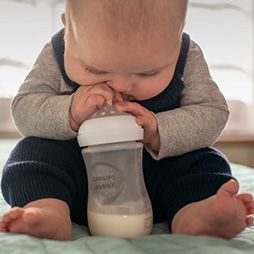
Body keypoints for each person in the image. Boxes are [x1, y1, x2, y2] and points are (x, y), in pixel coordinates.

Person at [0, 0, 254, 241]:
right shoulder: (57, 52)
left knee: (205, 162)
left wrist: (158, 129)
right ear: (68, 30)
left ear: (176, 41)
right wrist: (70, 111)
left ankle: (196, 215)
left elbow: (213, 112)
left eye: (148, 72)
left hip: (161, 177)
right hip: (77, 179)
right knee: (31, 153)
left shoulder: (187, 55)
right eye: (96, 70)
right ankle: (48, 211)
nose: (121, 86)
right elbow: (24, 108)